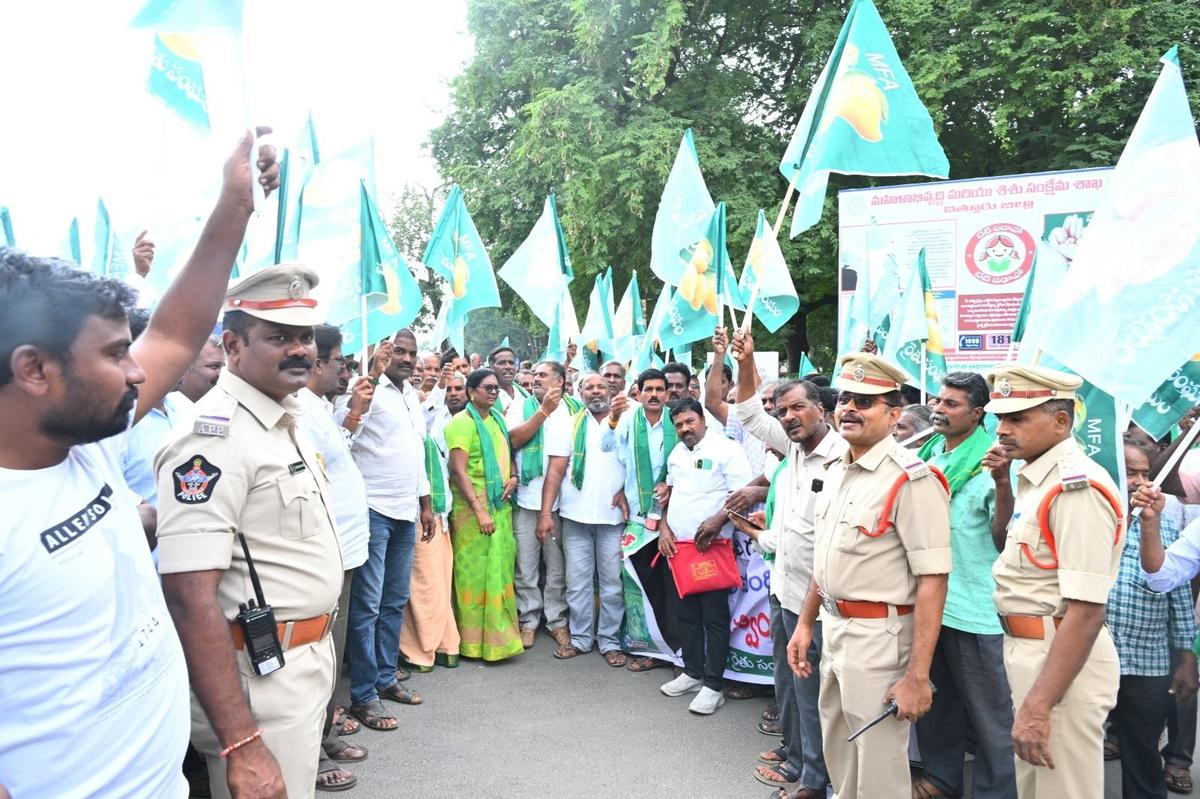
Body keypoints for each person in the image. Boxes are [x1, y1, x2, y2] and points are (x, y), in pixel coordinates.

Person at [0, 130, 278, 799]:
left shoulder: (82, 439)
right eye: (114, 353)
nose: (137, 371)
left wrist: (235, 204)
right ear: (35, 369)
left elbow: (178, 333)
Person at [155, 261, 345, 799]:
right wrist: (241, 744)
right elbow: (190, 597)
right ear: (233, 345)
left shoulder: (288, 419)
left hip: (305, 658)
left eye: (304, 336)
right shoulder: (211, 438)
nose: (300, 350)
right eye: (278, 337)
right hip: (259, 681)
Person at [786, 353, 952, 799]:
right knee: (842, 758)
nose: (849, 408)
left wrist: (918, 675)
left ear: (895, 413)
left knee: (878, 769)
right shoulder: (839, 469)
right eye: (845, 399)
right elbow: (826, 560)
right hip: (834, 629)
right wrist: (805, 623)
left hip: (880, 637)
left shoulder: (912, 479)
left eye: (866, 401)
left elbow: (933, 581)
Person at [985, 364, 1124, 799]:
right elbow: (1008, 546)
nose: (1002, 429)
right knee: (1039, 789)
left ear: (1061, 422)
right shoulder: (1036, 478)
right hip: (1033, 652)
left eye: (1018, 418)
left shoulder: (1075, 488)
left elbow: (1086, 610)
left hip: (1059, 660)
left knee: (1061, 790)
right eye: (1000, 418)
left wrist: (1039, 707)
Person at [730, 328, 845, 797]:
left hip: (817, 600)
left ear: (823, 409)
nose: (789, 418)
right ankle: (797, 757)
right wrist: (745, 361)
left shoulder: (843, 458)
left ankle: (815, 779)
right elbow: (745, 412)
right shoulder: (794, 449)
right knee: (792, 690)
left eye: (799, 408)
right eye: (783, 412)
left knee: (813, 693)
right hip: (784, 587)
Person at [913, 372, 1017, 799]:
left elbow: (1002, 539)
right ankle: (941, 780)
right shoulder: (929, 452)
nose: (938, 409)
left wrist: (1004, 482)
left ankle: (996, 792)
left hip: (975, 610)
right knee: (937, 706)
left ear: (978, 414)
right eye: (938, 400)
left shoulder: (990, 461)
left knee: (991, 718)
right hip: (930, 603)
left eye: (951, 404)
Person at [339, 330, 433, 732]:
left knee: (394, 601)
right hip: (372, 510)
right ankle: (363, 695)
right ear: (383, 352)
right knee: (368, 607)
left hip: (405, 511)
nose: (407, 359)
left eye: (412, 353)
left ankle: (384, 677)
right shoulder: (362, 389)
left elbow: (418, 453)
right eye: (399, 351)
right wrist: (368, 385)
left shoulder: (411, 395)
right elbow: (345, 435)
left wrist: (425, 504)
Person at [297, 324, 372, 792]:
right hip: (325, 553)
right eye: (340, 361)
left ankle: (322, 734)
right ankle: (312, 751)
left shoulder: (320, 408)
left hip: (344, 550)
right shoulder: (301, 410)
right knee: (318, 657)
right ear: (320, 363)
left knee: (330, 654)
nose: (345, 369)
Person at [1106, 435, 1198, 799]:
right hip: (1090, 655)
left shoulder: (1164, 525)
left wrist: (1186, 658)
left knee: (1142, 750)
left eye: (1145, 474)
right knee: (1074, 748)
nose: (1140, 483)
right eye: (1130, 473)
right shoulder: (1088, 519)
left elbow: (1173, 589)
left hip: (1148, 659)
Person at [658, 396, 754, 715]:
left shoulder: (727, 449)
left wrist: (717, 521)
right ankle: (692, 672)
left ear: (703, 420)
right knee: (686, 614)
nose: (685, 429)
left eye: (690, 422)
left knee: (713, 618)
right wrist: (664, 530)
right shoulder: (676, 454)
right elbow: (669, 496)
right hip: (680, 549)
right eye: (679, 425)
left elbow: (741, 497)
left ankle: (714, 685)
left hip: (712, 548)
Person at [543, 372, 629, 664]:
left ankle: (610, 641)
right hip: (575, 516)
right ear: (579, 393)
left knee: (612, 583)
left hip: (613, 517)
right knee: (577, 582)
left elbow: (638, 464)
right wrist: (545, 513)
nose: (595, 392)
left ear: (611, 389)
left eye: (600, 387)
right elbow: (555, 471)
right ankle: (580, 639)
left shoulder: (625, 422)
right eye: (588, 387)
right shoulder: (567, 424)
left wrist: (627, 491)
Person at [602, 368, 682, 673]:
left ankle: (677, 650)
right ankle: (648, 650)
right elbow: (606, 447)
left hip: (673, 519)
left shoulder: (678, 421)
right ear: (638, 391)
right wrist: (612, 418)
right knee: (639, 587)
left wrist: (670, 486)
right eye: (648, 389)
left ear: (667, 394)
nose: (654, 395)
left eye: (660, 389)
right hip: (638, 518)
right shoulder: (628, 419)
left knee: (672, 587)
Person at [444, 368, 523, 661]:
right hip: (472, 513)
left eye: (495, 389)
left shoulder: (498, 420)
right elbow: (458, 471)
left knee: (500, 573)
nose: (493, 392)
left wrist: (513, 477)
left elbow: (508, 457)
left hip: (499, 509)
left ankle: (499, 641)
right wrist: (479, 512)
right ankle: (473, 644)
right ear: (471, 391)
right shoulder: (461, 424)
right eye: (487, 388)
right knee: (473, 578)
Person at [504, 359, 572, 649]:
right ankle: (528, 620)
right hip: (526, 500)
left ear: (559, 382)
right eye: (534, 375)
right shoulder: (521, 406)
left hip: (562, 504)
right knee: (526, 567)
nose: (535, 379)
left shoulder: (573, 410)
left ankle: (557, 621)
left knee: (557, 568)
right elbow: (513, 440)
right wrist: (543, 412)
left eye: (543, 375)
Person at [400, 372, 464, 671]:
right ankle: (445, 646)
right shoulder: (434, 423)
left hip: (427, 512)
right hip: (434, 511)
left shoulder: (433, 428)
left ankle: (421, 652)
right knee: (434, 583)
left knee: (426, 585)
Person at [177, 335, 226, 404]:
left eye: (224, 367)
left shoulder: (224, 407)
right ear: (185, 368)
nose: (222, 373)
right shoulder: (164, 408)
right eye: (215, 366)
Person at [489, 345, 524, 412]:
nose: (508, 367)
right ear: (491, 366)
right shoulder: (486, 397)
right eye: (502, 363)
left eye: (511, 363)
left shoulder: (524, 395)